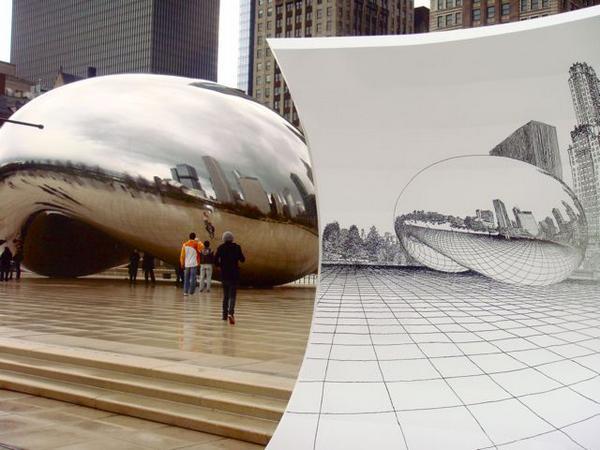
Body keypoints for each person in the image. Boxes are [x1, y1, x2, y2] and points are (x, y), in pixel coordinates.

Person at [215, 231, 245, 325]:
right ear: (232, 239)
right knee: (232, 296)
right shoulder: (237, 247)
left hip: (224, 274)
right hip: (234, 274)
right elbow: (242, 259)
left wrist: (221, 265)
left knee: (225, 296)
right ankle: (231, 313)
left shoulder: (220, 248)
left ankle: (224, 315)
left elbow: (215, 261)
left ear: (224, 238)